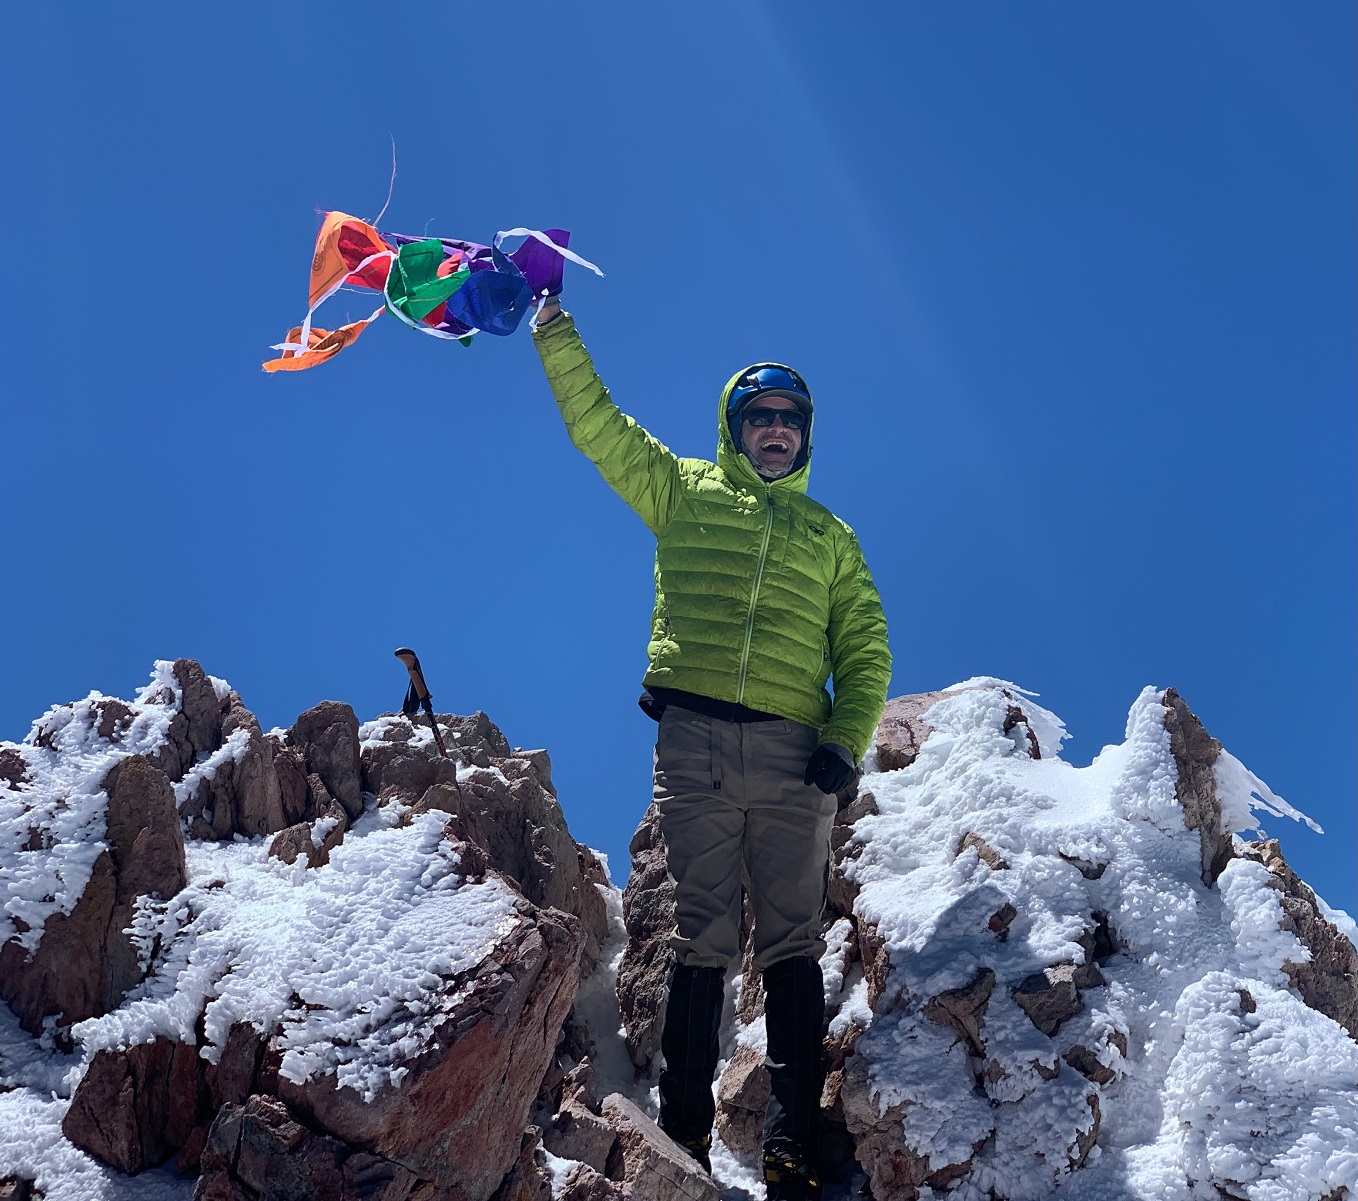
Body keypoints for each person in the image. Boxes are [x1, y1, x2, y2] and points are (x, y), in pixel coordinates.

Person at [532, 295, 890, 1201]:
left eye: (790, 421)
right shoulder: (682, 488)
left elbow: (865, 645)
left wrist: (846, 738)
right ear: (735, 429)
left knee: (793, 948)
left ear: (806, 437)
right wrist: (553, 331)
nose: (775, 431)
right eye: (759, 417)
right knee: (701, 936)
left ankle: (788, 1146)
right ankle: (686, 1126)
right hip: (692, 743)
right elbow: (598, 428)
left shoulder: (831, 539)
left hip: (793, 758)